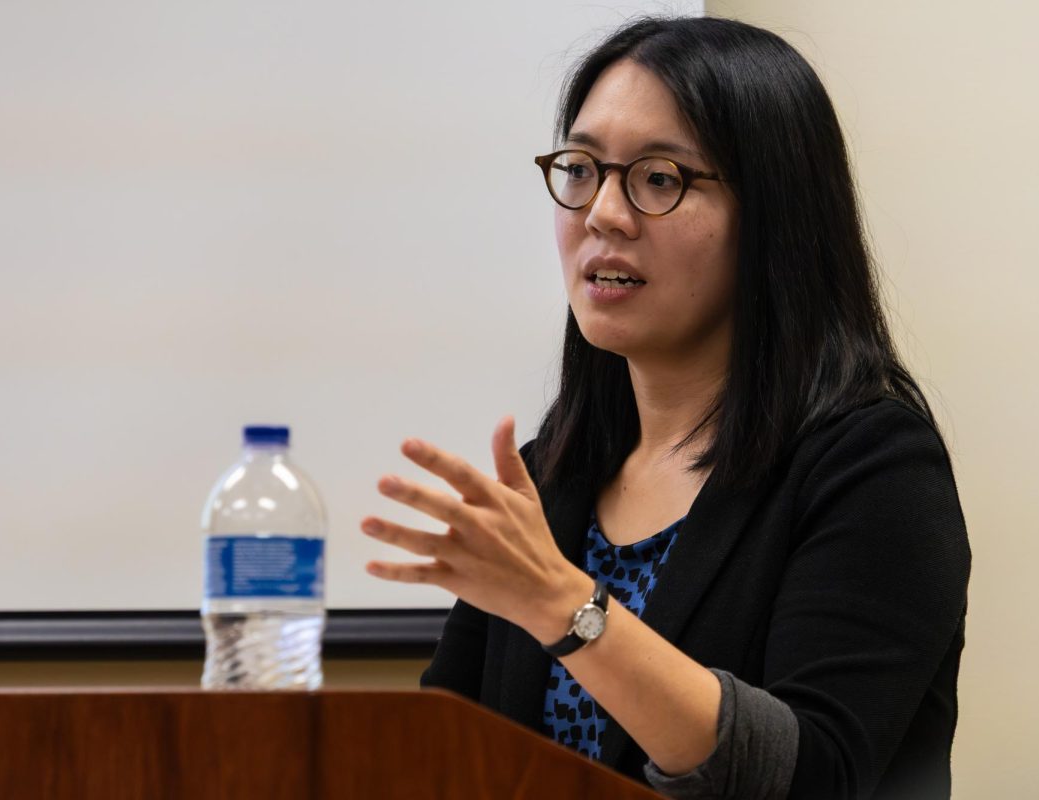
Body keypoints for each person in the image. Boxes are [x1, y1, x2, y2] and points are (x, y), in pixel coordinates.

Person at [359, 15, 970, 800]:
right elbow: (446, 752)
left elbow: (816, 775)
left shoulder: (875, 468)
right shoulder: (553, 472)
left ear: (775, 214)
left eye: (658, 179)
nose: (602, 214)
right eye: (582, 169)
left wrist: (563, 604)